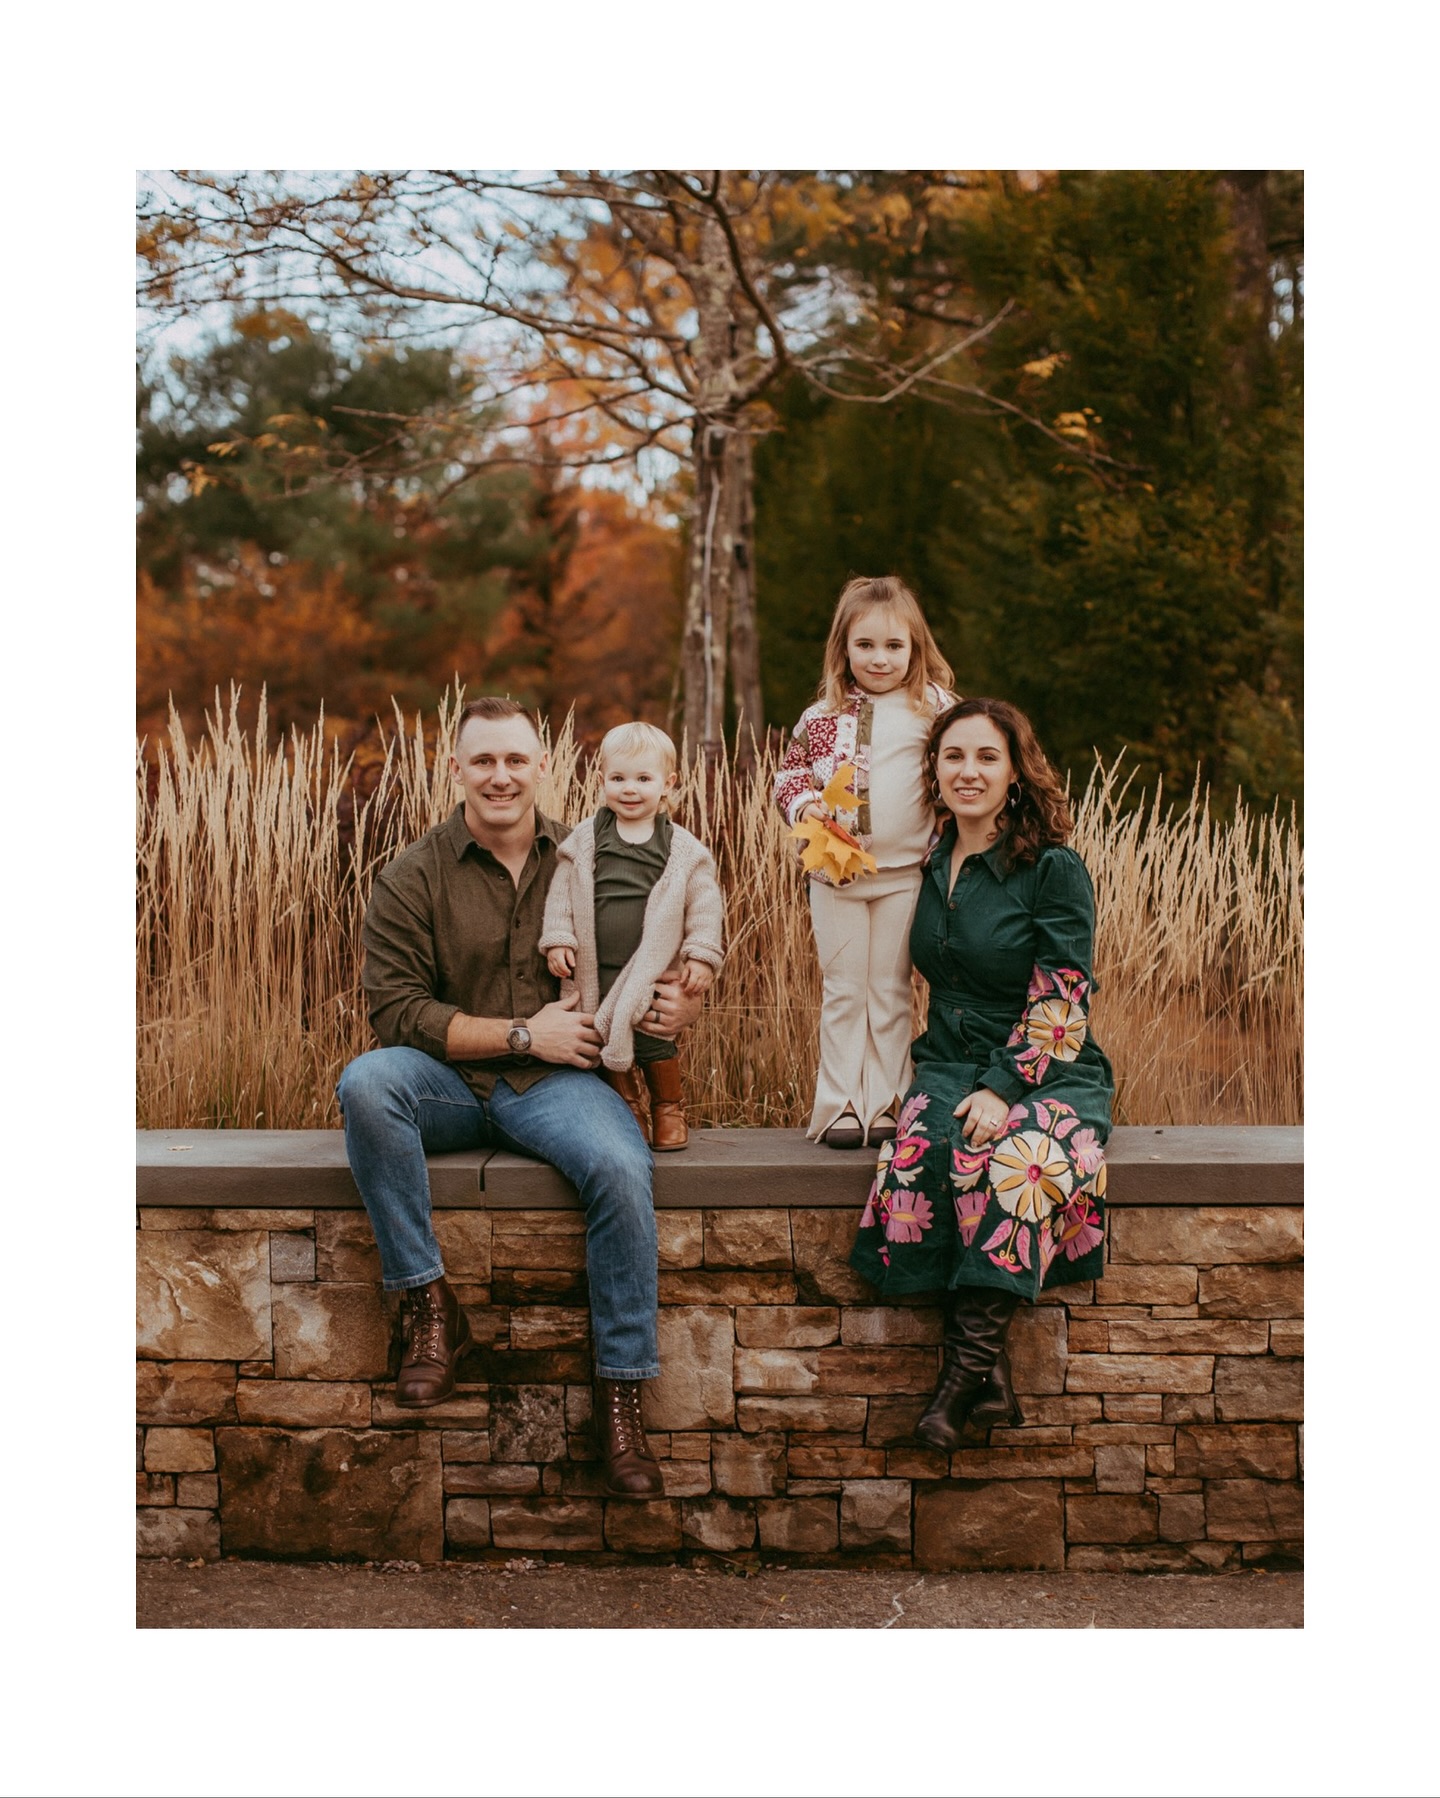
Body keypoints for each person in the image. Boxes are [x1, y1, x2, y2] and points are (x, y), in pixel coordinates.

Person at [336, 696, 704, 1497]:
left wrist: (679, 996)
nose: (500, 777)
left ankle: (621, 1396)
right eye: (483, 761)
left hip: (560, 1086)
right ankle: (430, 1309)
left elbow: (661, 941)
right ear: (457, 770)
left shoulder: (594, 855)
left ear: (544, 767)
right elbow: (396, 1013)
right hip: (449, 1088)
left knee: (618, 1164)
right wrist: (519, 1034)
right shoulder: (413, 874)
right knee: (366, 1083)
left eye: (515, 760)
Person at [849, 697, 1114, 1451]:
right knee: (919, 1158)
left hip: (1048, 1066)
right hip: (948, 1061)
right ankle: (992, 1382)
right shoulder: (929, 858)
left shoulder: (1051, 869)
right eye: (954, 756)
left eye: (986, 758)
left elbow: (1064, 997)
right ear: (933, 770)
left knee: (1015, 1163)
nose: (969, 772)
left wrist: (1004, 1088)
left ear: (1014, 773)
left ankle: (961, 1382)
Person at [773, 575, 956, 1150]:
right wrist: (807, 808)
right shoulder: (822, 714)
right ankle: (840, 1106)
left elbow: (964, 764)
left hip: (907, 876)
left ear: (915, 647)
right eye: (866, 646)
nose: (880, 658)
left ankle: (888, 1102)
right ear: (844, 648)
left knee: (892, 989)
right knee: (845, 990)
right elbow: (789, 774)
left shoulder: (937, 709)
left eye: (894, 647)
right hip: (836, 875)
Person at [539, 720, 724, 1151]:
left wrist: (699, 954)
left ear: (667, 785)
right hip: (595, 968)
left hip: (651, 969)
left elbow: (704, 904)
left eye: (644, 779)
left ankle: (668, 1107)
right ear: (601, 781)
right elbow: (561, 893)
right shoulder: (587, 838)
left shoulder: (681, 848)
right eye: (618, 778)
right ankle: (627, 1107)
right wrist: (559, 937)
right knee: (602, 1036)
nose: (630, 789)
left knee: (653, 1038)